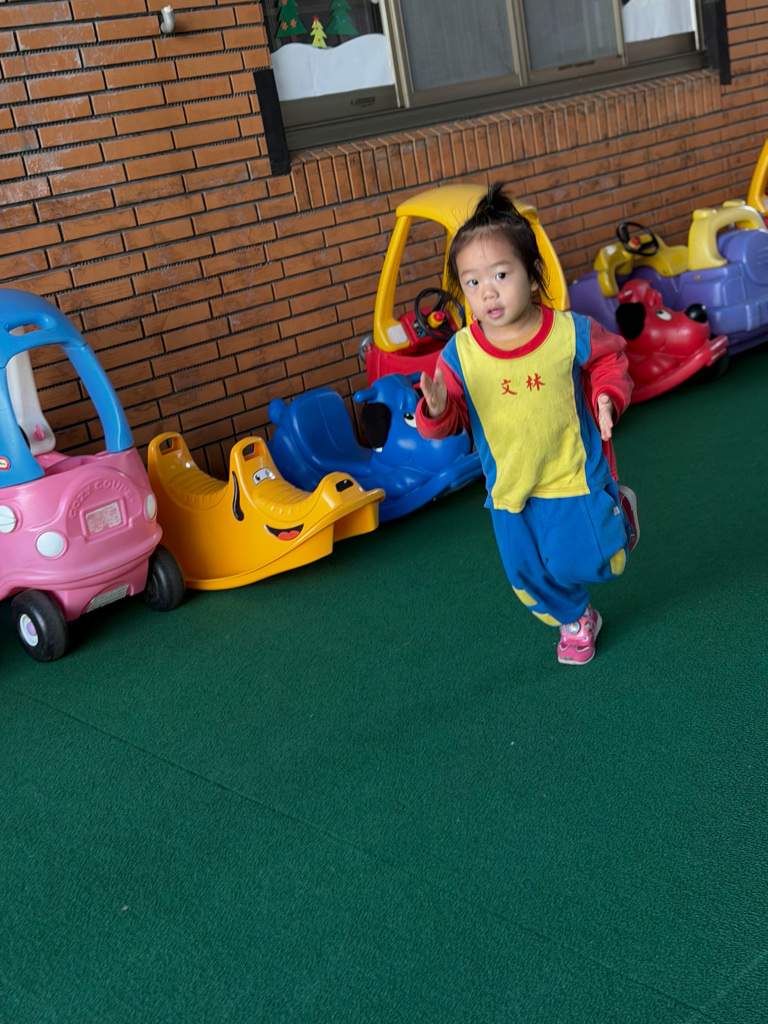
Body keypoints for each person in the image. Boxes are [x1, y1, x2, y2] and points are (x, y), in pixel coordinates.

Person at [416, 183, 639, 666]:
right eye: (472, 282)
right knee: (527, 575)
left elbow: (611, 360)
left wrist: (606, 396)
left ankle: (615, 514)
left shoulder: (568, 331)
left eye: (501, 274)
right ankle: (576, 620)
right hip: (510, 489)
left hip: (571, 474)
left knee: (596, 561)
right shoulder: (460, 354)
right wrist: (434, 412)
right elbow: (451, 420)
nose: (488, 291)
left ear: (533, 276)